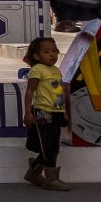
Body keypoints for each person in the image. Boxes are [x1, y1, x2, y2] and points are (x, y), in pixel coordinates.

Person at [22, 35, 70, 191]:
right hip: (43, 112)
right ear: (36, 56)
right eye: (47, 51)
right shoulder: (37, 70)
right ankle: (52, 179)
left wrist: (63, 112)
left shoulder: (56, 70)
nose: (52, 54)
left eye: (55, 51)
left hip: (55, 112)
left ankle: (34, 172)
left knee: (51, 145)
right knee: (50, 146)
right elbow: (30, 91)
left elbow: (58, 93)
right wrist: (28, 112)